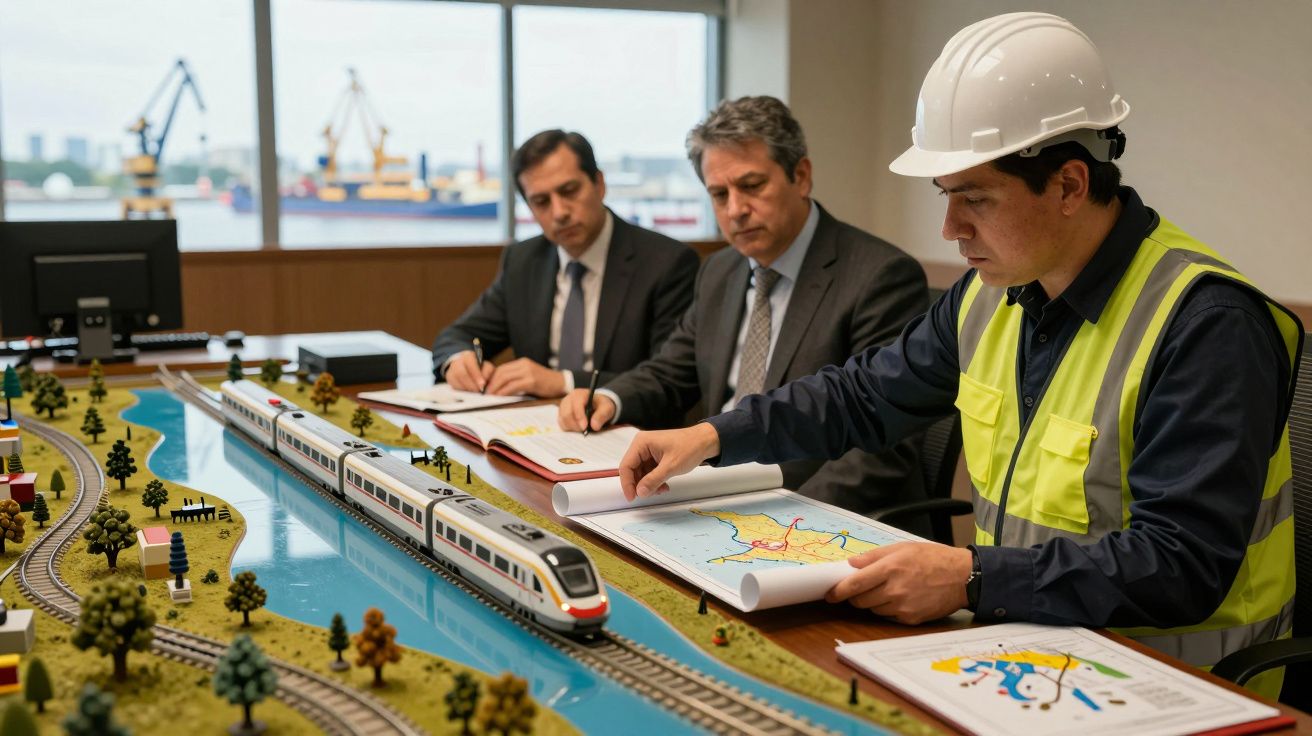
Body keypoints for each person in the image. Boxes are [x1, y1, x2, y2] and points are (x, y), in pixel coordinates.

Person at [614, 13, 1301, 698]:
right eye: (947, 197)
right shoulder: (990, 293)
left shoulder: (1206, 324)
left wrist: (970, 577)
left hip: (1179, 689)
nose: (950, 228)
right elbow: (862, 395)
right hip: (1028, 651)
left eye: (975, 198)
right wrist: (711, 436)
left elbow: (1179, 564)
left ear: (1067, 185)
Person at [559, 96, 930, 515]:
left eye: (751, 186)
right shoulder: (720, 271)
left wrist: (785, 520)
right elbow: (671, 370)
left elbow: (881, 448)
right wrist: (611, 397)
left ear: (801, 176)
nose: (735, 209)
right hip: (716, 491)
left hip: (809, 509)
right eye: (719, 194)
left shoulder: (879, 276)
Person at [432, 130, 700, 397]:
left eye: (569, 191)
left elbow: (666, 381)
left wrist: (563, 383)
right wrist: (458, 359)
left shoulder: (666, 264)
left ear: (599, 184)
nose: (559, 212)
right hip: (530, 426)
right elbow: (458, 335)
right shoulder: (524, 261)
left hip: (626, 430)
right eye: (541, 202)